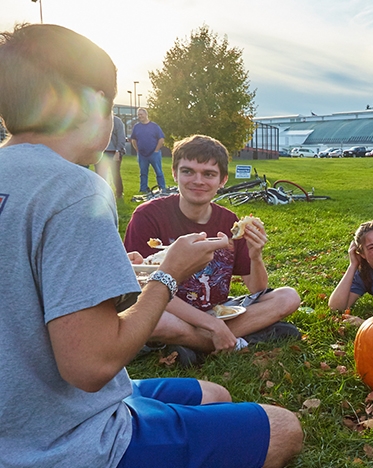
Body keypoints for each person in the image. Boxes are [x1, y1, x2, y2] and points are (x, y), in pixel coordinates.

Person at [0, 24, 302, 468]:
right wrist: (166, 275)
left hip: (29, 402)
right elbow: (91, 366)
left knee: (215, 394)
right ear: (96, 104)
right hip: (62, 439)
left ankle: (214, 340)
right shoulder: (76, 190)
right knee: (283, 428)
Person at [124, 134, 301, 367]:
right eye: (188, 171)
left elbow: (257, 289)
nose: (198, 181)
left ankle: (194, 345)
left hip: (215, 310)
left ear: (223, 180)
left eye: (208, 174)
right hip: (168, 312)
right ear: (175, 173)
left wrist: (255, 256)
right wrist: (214, 326)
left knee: (288, 296)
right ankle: (236, 340)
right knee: (157, 323)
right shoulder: (148, 216)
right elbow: (144, 290)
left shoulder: (228, 221)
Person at [130, 107, 166, 193]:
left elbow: (161, 139)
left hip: (154, 154)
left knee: (159, 172)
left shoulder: (154, 126)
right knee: (143, 173)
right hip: (142, 155)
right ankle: (143, 189)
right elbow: (133, 139)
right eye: (138, 115)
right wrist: (137, 150)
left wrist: (156, 150)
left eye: (141, 114)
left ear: (146, 114)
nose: (140, 116)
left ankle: (162, 188)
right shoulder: (136, 127)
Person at [94, 114, 126, 198]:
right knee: (100, 174)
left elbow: (121, 137)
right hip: (100, 152)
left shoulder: (117, 121)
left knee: (115, 174)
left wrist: (118, 151)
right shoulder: (97, 120)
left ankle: (119, 193)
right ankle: (101, 193)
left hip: (113, 152)